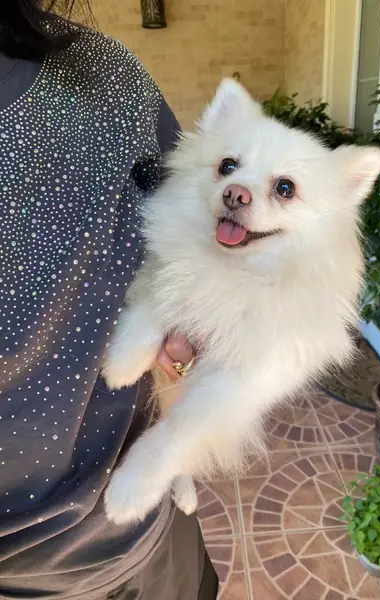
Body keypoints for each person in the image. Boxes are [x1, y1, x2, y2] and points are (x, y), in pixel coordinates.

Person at [0, 1, 219, 598]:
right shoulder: (104, 74)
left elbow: (202, 252)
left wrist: (197, 324)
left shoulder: (106, 80)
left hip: (141, 530)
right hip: (139, 543)